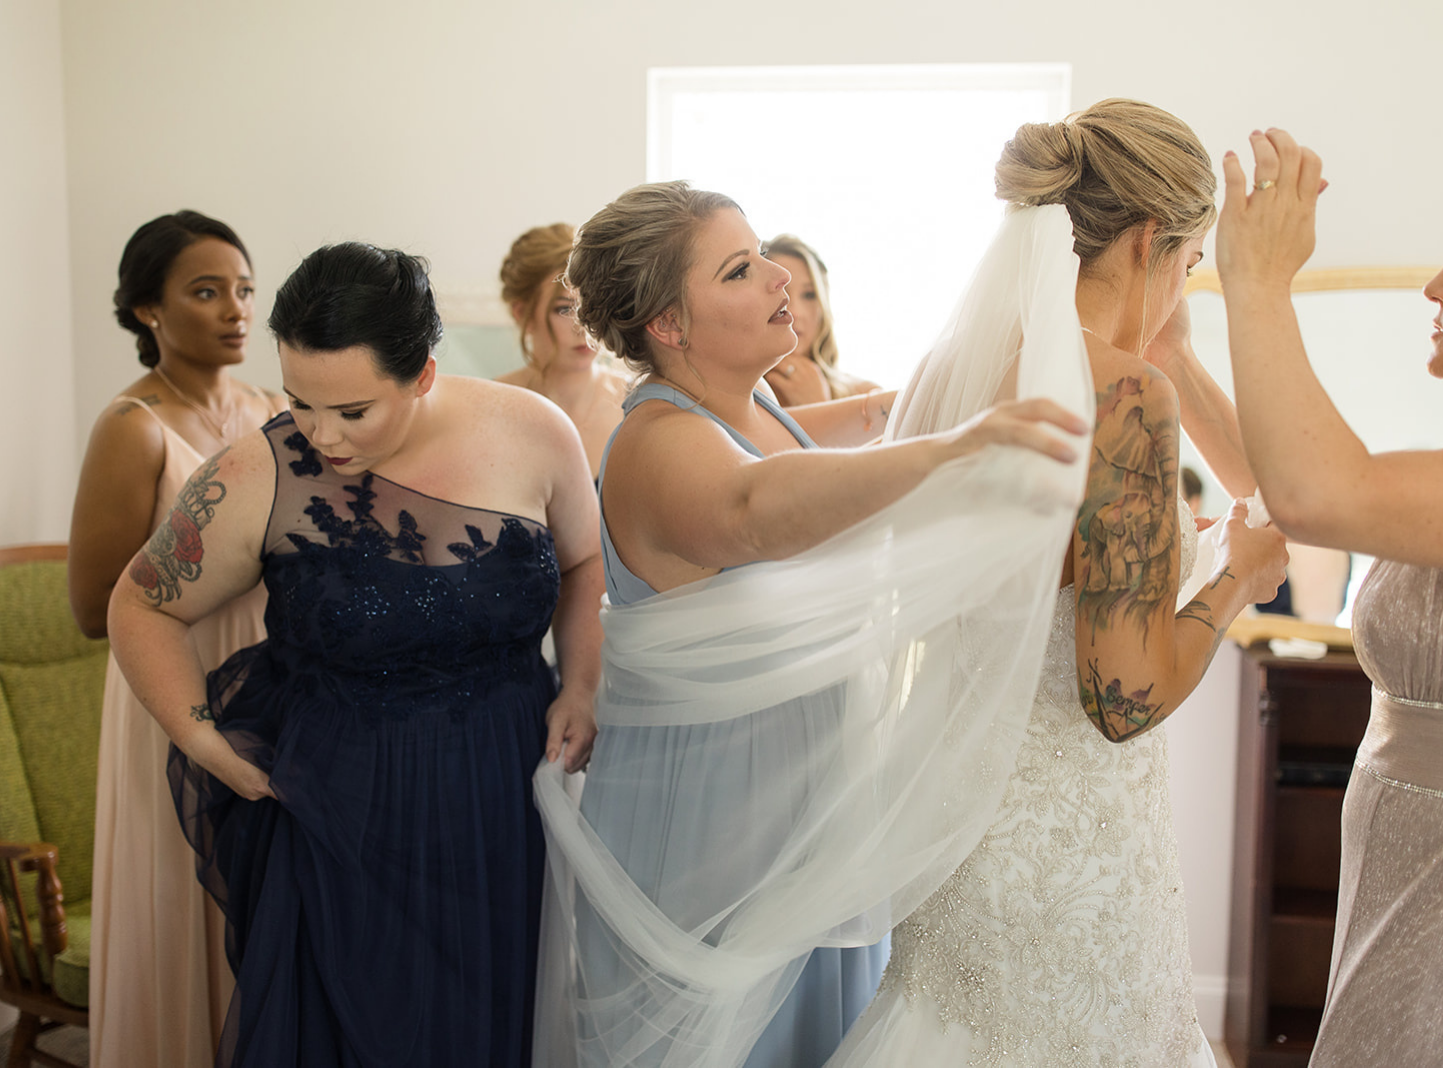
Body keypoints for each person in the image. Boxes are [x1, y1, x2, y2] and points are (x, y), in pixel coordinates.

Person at [532, 180, 1092, 1068]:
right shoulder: (657, 442)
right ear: (669, 325)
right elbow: (757, 507)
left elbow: (879, 418)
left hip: (794, 811)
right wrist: (954, 447)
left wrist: (1029, 330)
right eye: (740, 270)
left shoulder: (752, 411)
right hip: (710, 825)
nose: (777, 281)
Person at [830, 99, 1288, 1066]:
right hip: (1071, 869)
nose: (1185, 287)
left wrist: (1175, 354)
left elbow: (1259, 489)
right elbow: (1123, 699)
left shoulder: (951, 370)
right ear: (1156, 239)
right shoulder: (1122, 399)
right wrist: (1234, 585)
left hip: (964, 842)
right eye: (1192, 263)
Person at [105, 242, 602, 1067]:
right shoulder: (259, 471)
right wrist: (197, 735)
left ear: (423, 375)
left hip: (500, 795)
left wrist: (580, 683)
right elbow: (142, 601)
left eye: (354, 411)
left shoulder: (535, 432)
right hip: (342, 809)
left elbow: (583, 564)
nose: (323, 437)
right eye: (302, 402)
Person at [1217, 128, 1443, 1066]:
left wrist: (1259, 282)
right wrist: (1177, 358)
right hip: (1404, 847)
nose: (1434, 285)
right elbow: (1293, 486)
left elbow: (1317, 493)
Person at [68, 210, 282, 1068]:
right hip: (173, 694)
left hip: (265, 689)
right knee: (177, 900)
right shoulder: (133, 426)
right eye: (205, 291)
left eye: (242, 291)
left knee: (259, 902)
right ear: (149, 310)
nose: (234, 310)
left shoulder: (272, 411)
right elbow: (91, 606)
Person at [497, 223, 629, 479]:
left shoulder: (634, 405)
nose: (584, 326)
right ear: (523, 313)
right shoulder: (492, 406)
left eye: (592, 306)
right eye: (564, 309)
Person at [759, 234, 880, 407]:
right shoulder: (735, 400)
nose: (795, 312)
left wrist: (819, 404)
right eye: (781, 292)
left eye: (809, 295)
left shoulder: (866, 398)